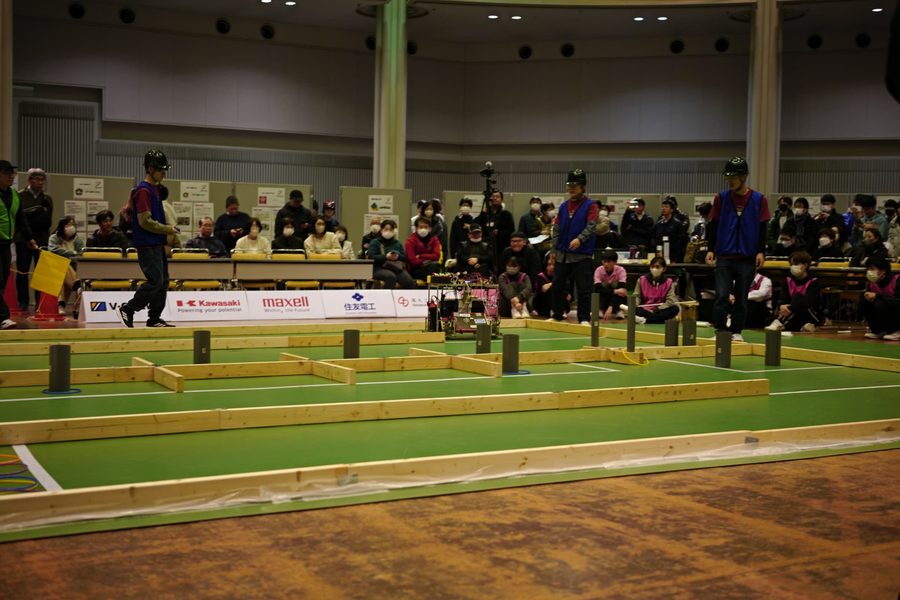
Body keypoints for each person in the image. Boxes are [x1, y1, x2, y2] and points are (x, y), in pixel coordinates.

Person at [705, 156, 771, 342]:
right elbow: (714, 224)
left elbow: (763, 227)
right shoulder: (721, 198)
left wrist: (761, 251)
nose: (730, 181)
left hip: (747, 257)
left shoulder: (759, 199)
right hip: (725, 256)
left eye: (734, 177)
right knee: (721, 295)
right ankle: (720, 330)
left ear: (744, 177)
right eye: (728, 178)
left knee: (742, 298)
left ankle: (736, 332)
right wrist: (711, 249)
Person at [116, 150, 179, 328]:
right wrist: (168, 229)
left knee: (163, 281)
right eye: (161, 170)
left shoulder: (154, 189)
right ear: (150, 168)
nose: (164, 173)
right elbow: (145, 221)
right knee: (155, 281)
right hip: (147, 244)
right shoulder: (144, 191)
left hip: (157, 243)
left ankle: (154, 318)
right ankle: (128, 309)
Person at [548, 169, 598, 325]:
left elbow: (591, 226)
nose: (571, 189)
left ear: (582, 187)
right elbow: (556, 228)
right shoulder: (564, 206)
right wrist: (553, 249)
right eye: (569, 185)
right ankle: (557, 314)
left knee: (583, 288)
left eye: (575, 186)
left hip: (582, 254)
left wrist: (580, 239)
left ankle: (584, 318)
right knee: (557, 285)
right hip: (562, 254)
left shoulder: (591, 206)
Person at [0, 160, 37, 329]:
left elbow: (21, 218)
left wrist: (29, 238)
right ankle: (3, 317)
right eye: (6, 173)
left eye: (12, 173)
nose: (11, 176)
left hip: (6, 243)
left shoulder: (14, 195)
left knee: (3, 281)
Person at [15, 167, 53, 311]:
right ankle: (23, 302)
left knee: (40, 273)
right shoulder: (19, 196)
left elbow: (47, 221)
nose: (40, 182)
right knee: (22, 271)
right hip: (23, 239)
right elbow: (19, 219)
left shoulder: (47, 198)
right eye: (36, 179)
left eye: (42, 180)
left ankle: (39, 302)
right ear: (29, 180)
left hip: (42, 239)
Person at [766, 251, 823, 333]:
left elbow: (808, 301)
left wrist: (790, 308)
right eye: (791, 264)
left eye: (796, 264)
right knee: (768, 320)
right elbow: (783, 298)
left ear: (805, 265)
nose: (793, 267)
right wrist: (782, 306)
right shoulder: (788, 280)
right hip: (792, 312)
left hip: (811, 313)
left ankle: (780, 323)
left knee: (798, 297)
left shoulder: (814, 281)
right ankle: (802, 325)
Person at [48, 215, 85, 314]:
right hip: (54, 267)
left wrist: (70, 255)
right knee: (63, 265)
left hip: (73, 267)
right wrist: (71, 253)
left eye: (73, 224)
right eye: (68, 225)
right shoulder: (54, 238)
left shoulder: (77, 240)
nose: (71, 227)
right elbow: (53, 250)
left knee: (64, 277)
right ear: (62, 226)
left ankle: (62, 305)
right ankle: (77, 286)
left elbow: (81, 253)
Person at [629, 257, 680, 325]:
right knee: (635, 310)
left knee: (675, 309)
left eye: (657, 267)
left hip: (660, 310)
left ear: (664, 269)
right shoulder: (641, 280)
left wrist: (657, 309)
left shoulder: (669, 282)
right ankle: (659, 319)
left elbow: (670, 300)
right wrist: (636, 303)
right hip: (645, 309)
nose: (654, 269)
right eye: (652, 267)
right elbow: (637, 295)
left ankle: (646, 320)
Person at [859, 256, 900, 340]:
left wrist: (878, 296)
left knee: (880, 304)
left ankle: (896, 331)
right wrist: (865, 295)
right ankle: (878, 330)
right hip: (884, 310)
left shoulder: (897, 280)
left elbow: (898, 302)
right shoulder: (873, 283)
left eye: (872, 268)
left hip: (896, 311)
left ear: (883, 270)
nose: (869, 271)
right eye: (868, 269)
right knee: (864, 302)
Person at [368, 219, 416, 289]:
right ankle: (385, 296)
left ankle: (402, 296)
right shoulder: (375, 242)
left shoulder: (397, 243)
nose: (388, 231)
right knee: (391, 277)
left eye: (391, 230)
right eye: (386, 229)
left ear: (394, 231)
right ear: (381, 230)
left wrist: (398, 256)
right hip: (379, 268)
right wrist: (386, 256)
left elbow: (404, 257)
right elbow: (371, 257)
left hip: (396, 267)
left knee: (409, 281)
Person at [476, 189, 515, 263]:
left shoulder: (506, 214)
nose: (495, 198)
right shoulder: (485, 214)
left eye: (497, 197)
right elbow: (477, 224)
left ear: (501, 200)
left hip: (500, 247)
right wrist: (482, 213)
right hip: (485, 246)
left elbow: (511, 231)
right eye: (493, 196)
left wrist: (499, 233)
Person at [593, 249, 628, 321]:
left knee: (621, 292)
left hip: (616, 300)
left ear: (615, 262)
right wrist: (615, 291)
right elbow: (597, 289)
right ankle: (600, 309)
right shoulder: (598, 270)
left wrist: (610, 306)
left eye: (609, 262)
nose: (606, 264)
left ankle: (618, 310)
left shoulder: (621, 270)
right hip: (603, 298)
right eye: (604, 261)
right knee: (602, 289)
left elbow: (622, 291)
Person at [651, 196, 687, 262]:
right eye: (662, 207)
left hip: (673, 255)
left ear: (672, 210)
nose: (663, 209)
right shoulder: (658, 224)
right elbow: (653, 238)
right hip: (660, 254)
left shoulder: (677, 224)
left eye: (666, 207)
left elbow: (681, 243)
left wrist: (676, 259)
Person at [405, 217, 442, 281]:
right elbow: (413, 261)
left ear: (430, 229)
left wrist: (420, 256)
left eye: (426, 227)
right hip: (416, 269)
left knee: (435, 266)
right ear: (416, 228)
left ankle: (431, 284)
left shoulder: (434, 239)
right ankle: (431, 285)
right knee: (433, 269)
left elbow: (437, 256)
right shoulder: (410, 241)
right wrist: (429, 260)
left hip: (431, 266)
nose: (423, 229)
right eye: (421, 227)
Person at [533, 252, 568, 318]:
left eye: (554, 265)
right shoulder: (540, 276)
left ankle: (561, 310)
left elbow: (569, 296)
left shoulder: (562, 277)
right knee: (553, 289)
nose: (551, 267)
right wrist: (555, 284)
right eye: (549, 264)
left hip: (560, 304)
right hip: (543, 305)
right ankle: (554, 310)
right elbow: (544, 288)